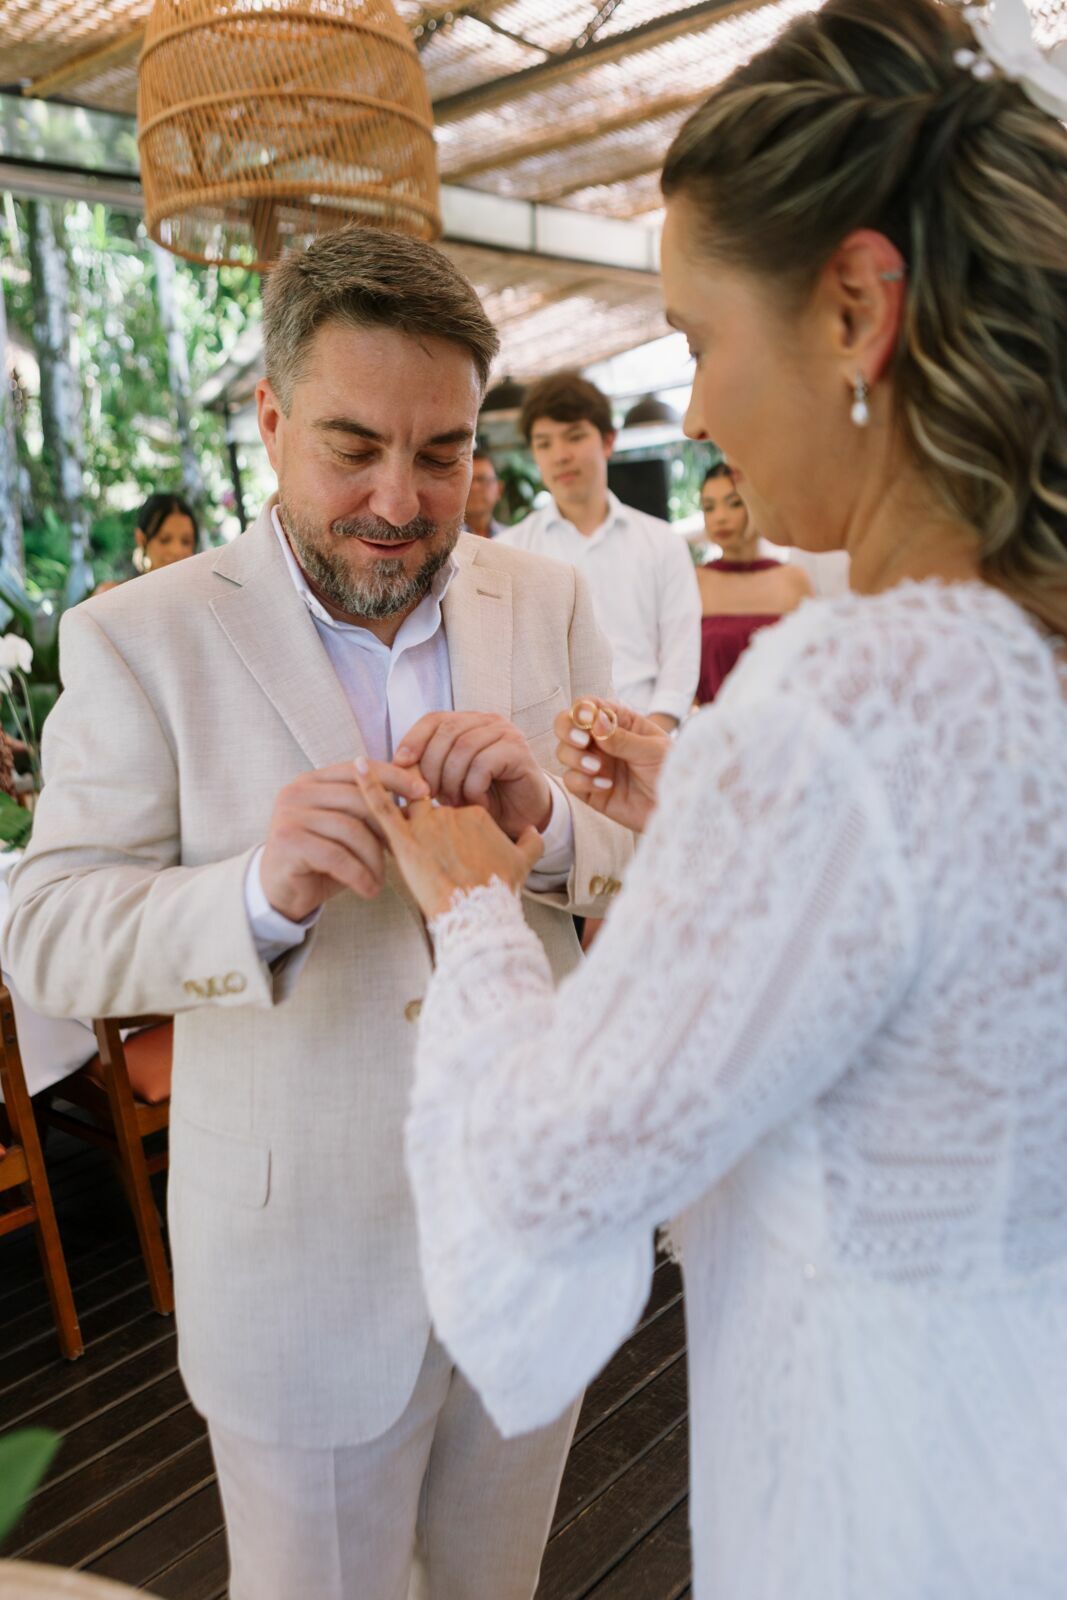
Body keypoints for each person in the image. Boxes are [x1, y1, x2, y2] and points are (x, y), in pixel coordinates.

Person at [347, 2, 1067, 1596]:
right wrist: (710, 826)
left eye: (696, 341)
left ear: (853, 310)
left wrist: (471, 907)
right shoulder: (1023, 660)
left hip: (880, 1492)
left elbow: (548, 1174)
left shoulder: (852, 695)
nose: (703, 413)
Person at [5, 228, 633, 1600]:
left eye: (444, 452)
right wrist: (254, 894)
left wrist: (550, 833)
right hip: (299, 1275)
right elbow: (44, 925)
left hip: (531, 1243)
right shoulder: (139, 634)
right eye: (353, 446)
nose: (400, 501)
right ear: (273, 420)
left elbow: (637, 863)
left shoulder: (550, 598)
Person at [499, 371, 700, 732]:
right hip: (554, 750)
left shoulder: (661, 542)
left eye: (574, 437)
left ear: (608, 441)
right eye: (544, 444)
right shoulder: (511, 551)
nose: (560, 456)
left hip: (652, 735)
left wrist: (652, 735)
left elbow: (681, 652)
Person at [696, 460, 811, 701]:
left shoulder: (793, 580)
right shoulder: (693, 583)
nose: (720, 517)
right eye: (709, 507)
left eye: (734, 504)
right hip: (713, 729)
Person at [93, 491, 199, 594]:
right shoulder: (112, 595)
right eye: (164, 540)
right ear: (141, 539)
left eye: (186, 542)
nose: (177, 550)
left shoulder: (203, 598)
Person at [464, 447, 505, 537]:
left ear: (499, 489)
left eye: (482, 479)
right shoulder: (441, 542)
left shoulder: (514, 539)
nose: (474, 488)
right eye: (467, 480)